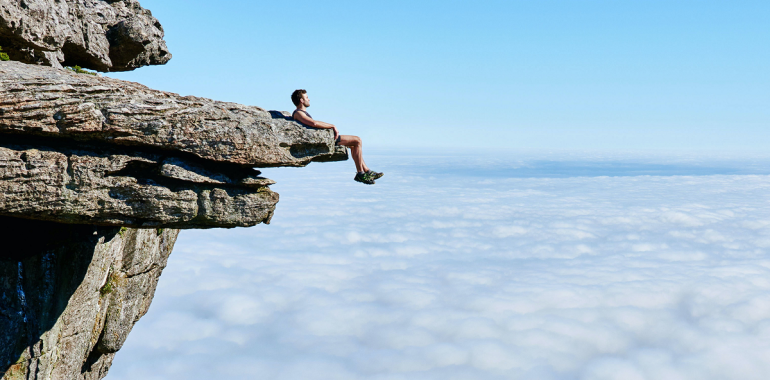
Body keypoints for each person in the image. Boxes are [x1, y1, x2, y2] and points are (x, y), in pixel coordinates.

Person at [291, 89, 383, 185]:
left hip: (325, 138)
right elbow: (314, 123)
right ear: (301, 100)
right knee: (357, 140)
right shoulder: (298, 113)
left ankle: (367, 171)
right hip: (323, 140)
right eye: (306, 97)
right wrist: (332, 125)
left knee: (353, 145)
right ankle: (361, 173)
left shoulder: (301, 113)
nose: (309, 99)